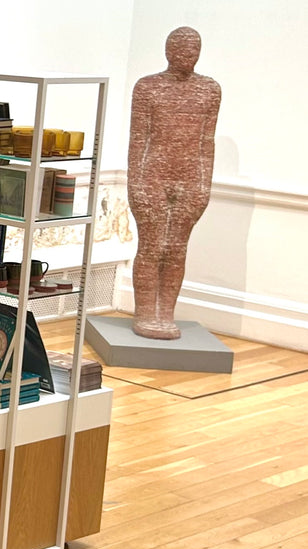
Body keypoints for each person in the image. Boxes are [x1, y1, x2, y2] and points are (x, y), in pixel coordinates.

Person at [128, 26, 220, 340]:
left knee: (177, 249)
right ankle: (145, 313)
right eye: (182, 49)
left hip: (190, 177)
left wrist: (204, 183)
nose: (189, 56)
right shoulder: (148, 87)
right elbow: (138, 140)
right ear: (168, 51)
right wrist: (136, 184)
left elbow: (207, 141)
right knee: (152, 246)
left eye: (195, 50)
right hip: (152, 175)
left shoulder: (209, 90)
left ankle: (165, 314)